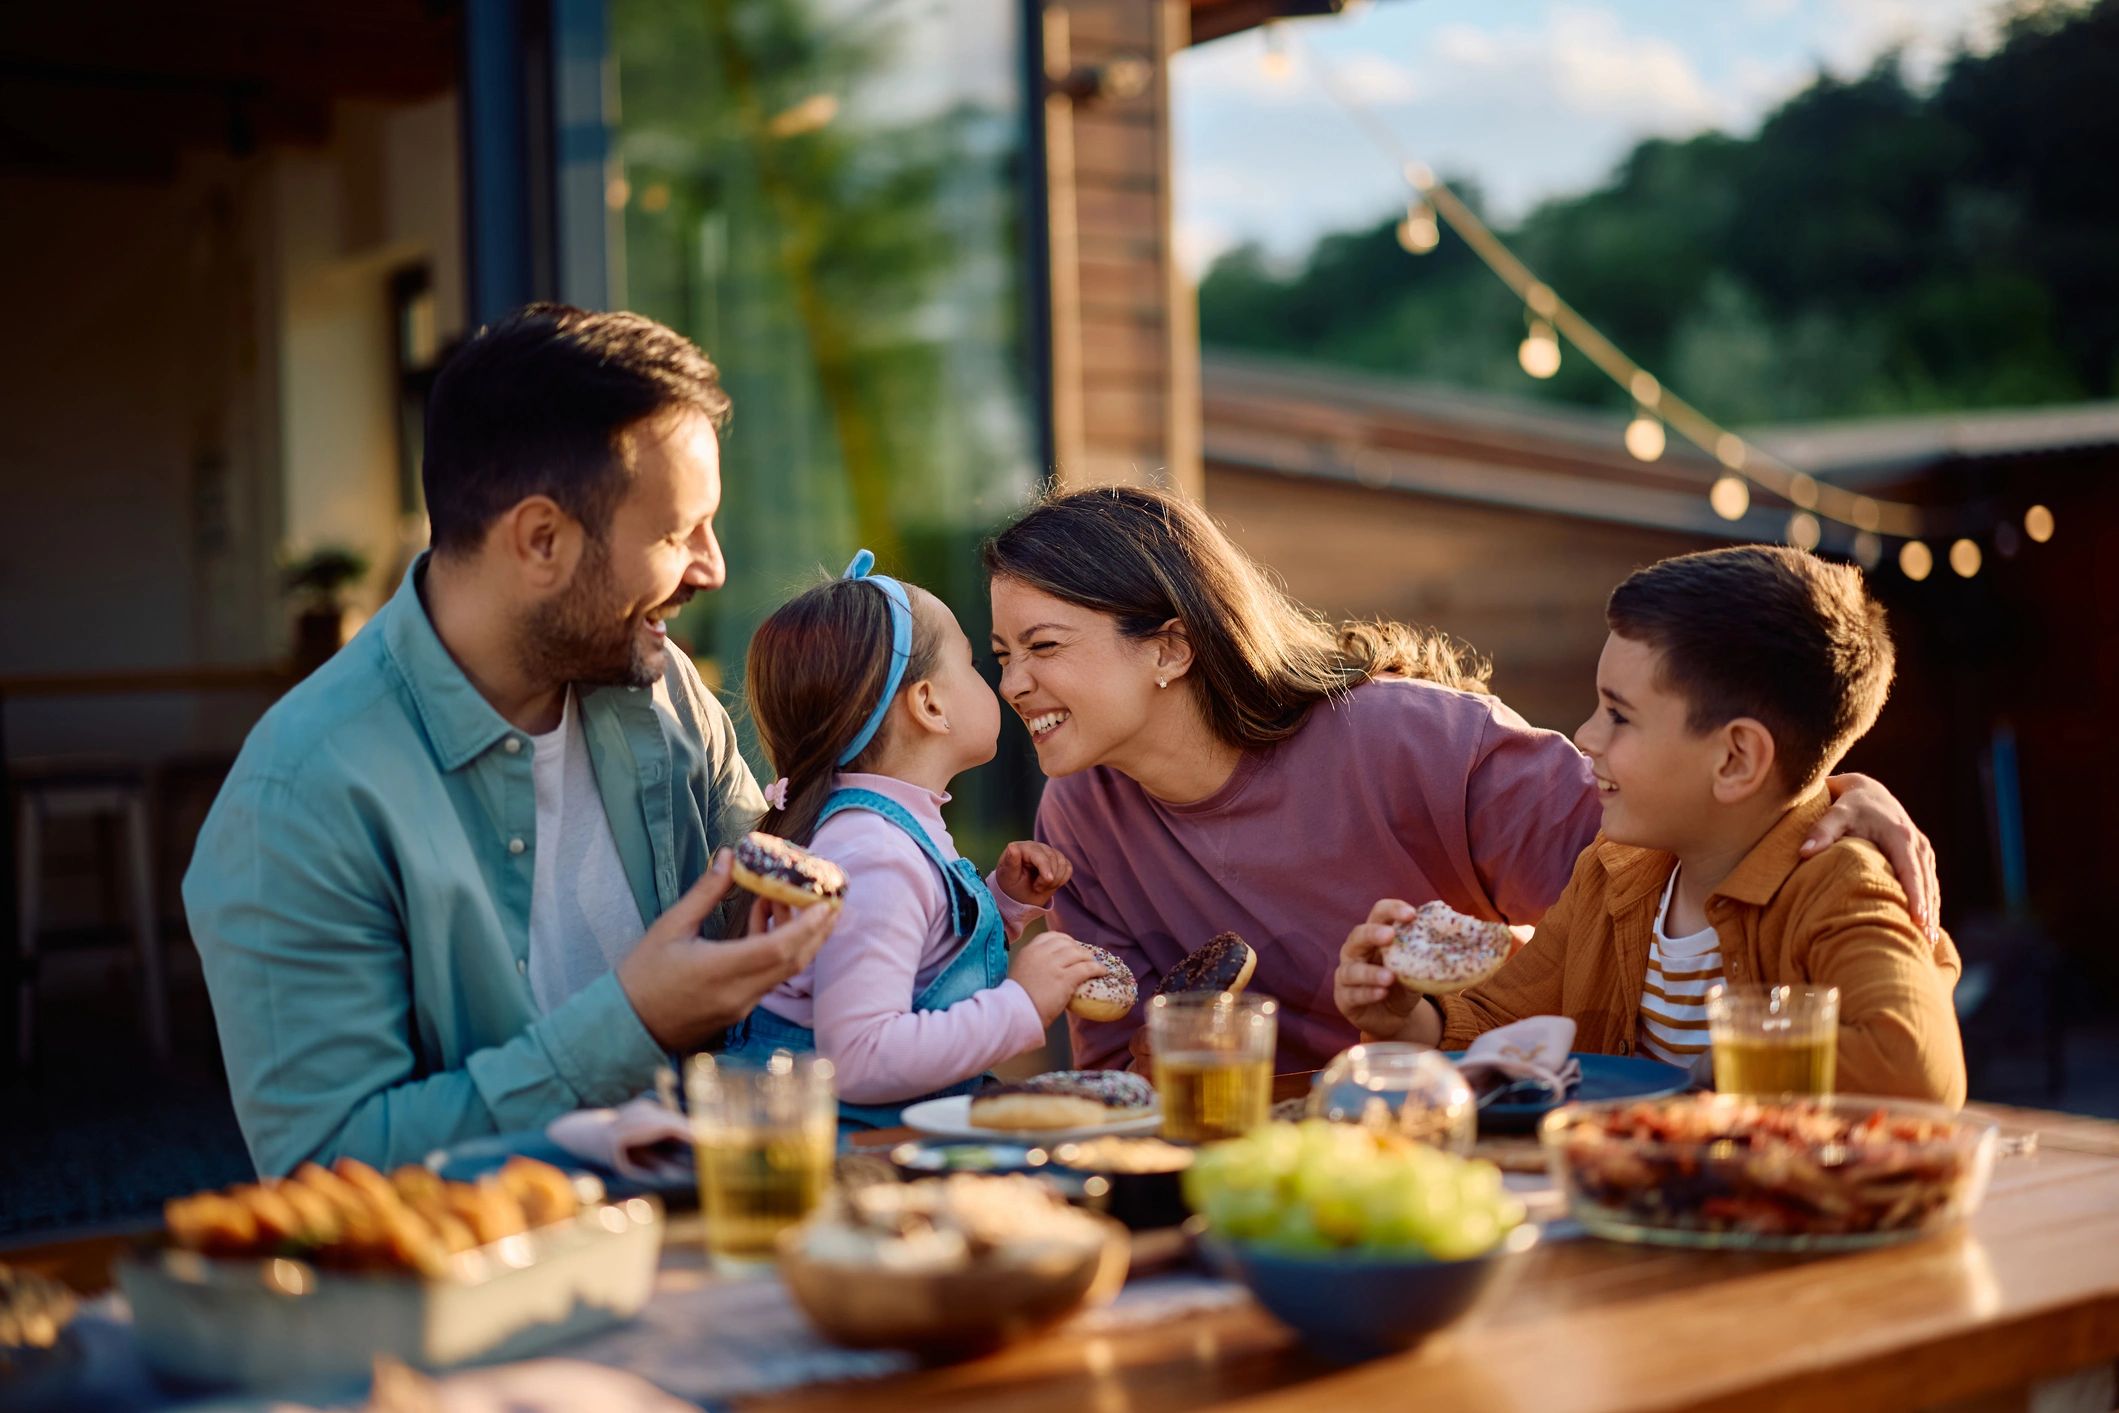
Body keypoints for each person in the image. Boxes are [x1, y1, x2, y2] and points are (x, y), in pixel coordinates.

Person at [184, 305, 837, 1176]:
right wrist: (635, 1023)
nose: (712, 568)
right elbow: (326, 1162)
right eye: (680, 532)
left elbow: (768, 920)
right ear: (540, 540)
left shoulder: (664, 691)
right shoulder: (300, 798)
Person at [983, 485, 1942, 1073]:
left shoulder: (1412, 742)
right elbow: (1118, 1070)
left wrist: (1832, 797)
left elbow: (1665, 843)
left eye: (1043, 645)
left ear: (1170, 649)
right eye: (999, 651)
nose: (1013, 680)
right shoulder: (1079, 815)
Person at [1335, 546, 1965, 1104]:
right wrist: (1408, 1019)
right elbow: (1500, 1021)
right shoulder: (1611, 873)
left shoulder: (1841, 884)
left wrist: (1708, 1074)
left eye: (1620, 716)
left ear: (1735, 759)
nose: (1585, 736)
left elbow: (1917, 1069)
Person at [720, 552, 1105, 1126]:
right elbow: (860, 1058)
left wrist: (1001, 903)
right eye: (974, 663)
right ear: (929, 705)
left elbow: (916, 961)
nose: (1000, 683)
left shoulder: (883, 834)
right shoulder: (875, 853)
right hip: (844, 1157)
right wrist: (1021, 1004)